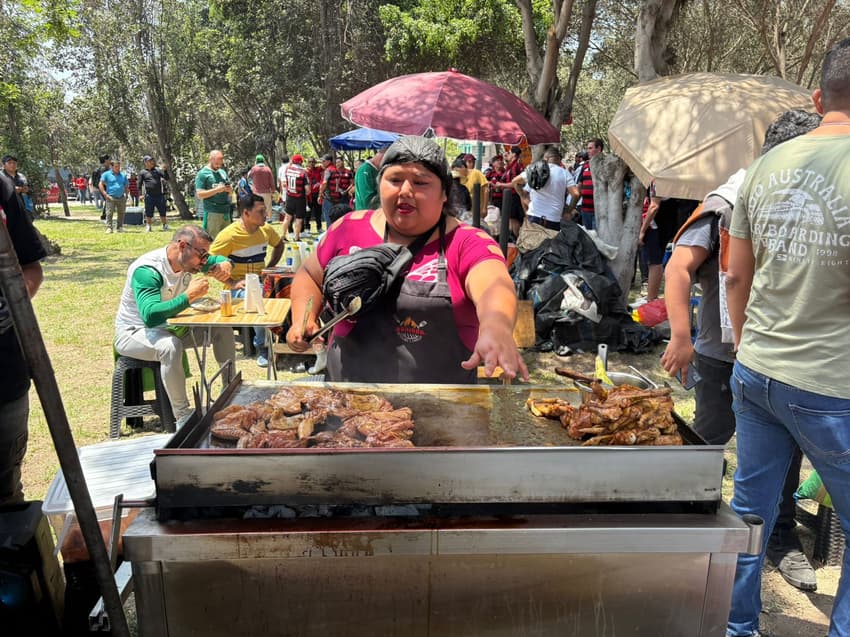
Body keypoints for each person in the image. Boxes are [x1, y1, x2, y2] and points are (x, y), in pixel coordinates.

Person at [662, 109, 823, 599]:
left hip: (785, 356)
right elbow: (679, 270)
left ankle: (777, 535)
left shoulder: (812, 203)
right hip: (722, 355)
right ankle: (677, 517)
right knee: (707, 441)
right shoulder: (728, 202)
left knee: (784, 451)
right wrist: (680, 336)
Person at [724, 38, 850, 637]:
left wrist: (755, 347)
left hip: (758, 373)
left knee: (747, 514)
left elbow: (736, 275)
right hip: (832, 387)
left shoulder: (767, 163)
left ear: (818, 96)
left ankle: (736, 628)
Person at [285, 135, 528, 384]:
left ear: (444, 193)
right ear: (380, 185)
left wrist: (496, 327)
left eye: (421, 183)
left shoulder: (466, 242)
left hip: (439, 414)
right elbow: (309, 275)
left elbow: (493, 284)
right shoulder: (348, 227)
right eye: (395, 180)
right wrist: (303, 319)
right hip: (346, 406)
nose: (405, 191)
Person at [114, 225, 235, 423]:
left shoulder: (190, 260)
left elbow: (216, 260)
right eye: (202, 254)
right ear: (182, 245)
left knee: (222, 329)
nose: (204, 261)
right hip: (134, 332)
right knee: (170, 347)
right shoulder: (148, 270)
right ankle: (182, 415)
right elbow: (150, 316)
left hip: (169, 329)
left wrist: (225, 263)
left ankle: (228, 392)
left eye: (206, 255)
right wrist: (189, 297)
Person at [0, 160, 46, 505]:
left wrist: (11, 303)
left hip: (5, 372)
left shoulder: (2, 189)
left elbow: (31, 268)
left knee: (6, 491)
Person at [210, 193, 284, 368]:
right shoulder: (229, 235)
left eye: (266, 210)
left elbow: (279, 244)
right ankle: (263, 347)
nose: (266, 215)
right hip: (240, 286)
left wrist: (271, 266)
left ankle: (287, 342)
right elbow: (208, 264)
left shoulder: (266, 230)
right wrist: (231, 283)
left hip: (262, 280)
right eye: (261, 211)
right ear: (246, 213)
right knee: (257, 296)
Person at [510, 146, 580, 253]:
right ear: (558, 159)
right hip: (553, 220)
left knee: (527, 252)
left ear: (546, 158)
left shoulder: (535, 170)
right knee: (548, 254)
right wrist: (569, 210)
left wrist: (522, 195)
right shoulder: (564, 173)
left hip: (534, 218)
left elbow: (515, 182)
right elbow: (575, 194)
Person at [195, 150, 233, 239]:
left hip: (225, 212)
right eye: (216, 163)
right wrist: (216, 190)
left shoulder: (222, 173)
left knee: (226, 240)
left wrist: (229, 190)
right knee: (212, 241)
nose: (218, 166)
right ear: (210, 159)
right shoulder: (202, 174)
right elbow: (200, 194)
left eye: (220, 164)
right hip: (212, 212)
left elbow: (230, 193)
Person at [491, 145, 524, 237]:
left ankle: (516, 239)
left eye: (508, 153)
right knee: (510, 219)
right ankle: (513, 238)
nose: (506, 154)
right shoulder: (510, 166)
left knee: (514, 220)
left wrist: (501, 185)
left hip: (514, 197)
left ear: (514, 154)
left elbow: (515, 184)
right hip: (509, 197)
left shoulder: (516, 166)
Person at [281, 154, 311, 241]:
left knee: (287, 217)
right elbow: (308, 190)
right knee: (299, 219)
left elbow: (284, 183)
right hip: (300, 198)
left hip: (289, 197)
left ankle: (283, 236)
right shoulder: (303, 173)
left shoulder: (287, 170)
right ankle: (297, 237)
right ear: (301, 162)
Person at [138, 155, 170, 233]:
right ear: (145, 162)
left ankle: (165, 225)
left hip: (159, 195)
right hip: (149, 195)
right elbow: (139, 184)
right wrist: (140, 195)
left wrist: (165, 170)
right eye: (149, 161)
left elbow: (167, 178)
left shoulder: (157, 170)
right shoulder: (142, 172)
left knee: (162, 211)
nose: (152, 162)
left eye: (152, 160)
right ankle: (149, 226)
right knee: (149, 212)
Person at [578, 139, 603, 229]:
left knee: (597, 240)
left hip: (600, 212)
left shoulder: (605, 166)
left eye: (590, 148)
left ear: (599, 149)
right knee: (587, 238)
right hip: (585, 210)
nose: (588, 151)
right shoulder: (585, 166)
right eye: (587, 148)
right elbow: (579, 186)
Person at [99, 159, 129, 233]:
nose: (118, 168)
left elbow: (126, 186)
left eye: (119, 166)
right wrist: (105, 194)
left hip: (121, 197)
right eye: (116, 167)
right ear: (111, 167)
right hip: (110, 197)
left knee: (121, 213)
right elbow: (100, 184)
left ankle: (119, 227)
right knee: (109, 213)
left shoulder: (123, 175)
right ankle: (109, 228)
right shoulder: (106, 174)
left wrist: (127, 195)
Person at [307, 157, 324, 233]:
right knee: (308, 212)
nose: (311, 163)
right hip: (309, 195)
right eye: (310, 162)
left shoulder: (318, 169)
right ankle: (307, 228)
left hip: (317, 194)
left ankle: (319, 227)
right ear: (308, 163)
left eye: (313, 162)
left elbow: (324, 167)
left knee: (318, 212)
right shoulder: (305, 171)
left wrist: (319, 183)